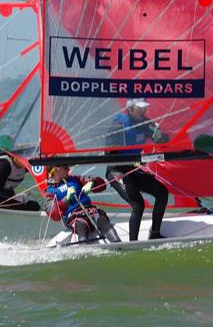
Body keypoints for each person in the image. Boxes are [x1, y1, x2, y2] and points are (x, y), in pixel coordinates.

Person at [106, 98, 170, 241]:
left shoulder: (146, 124)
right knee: (138, 204)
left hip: (133, 169)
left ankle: (155, 234)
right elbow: (109, 154)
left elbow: (165, 141)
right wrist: (120, 175)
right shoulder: (119, 125)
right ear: (130, 109)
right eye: (139, 109)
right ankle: (133, 243)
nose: (143, 111)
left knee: (162, 193)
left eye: (145, 108)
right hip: (116, 170)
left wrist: (160, 136)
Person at [44, 165, 120, 243]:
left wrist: (92, 183)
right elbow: (53, 214)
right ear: (56, 170)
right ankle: (84, 248)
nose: (68, 169)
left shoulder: (76, 179)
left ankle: (118, 244)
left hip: (90, 210)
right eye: (66, 167)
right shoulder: (50, 191)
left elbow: (102, 185)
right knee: (82, 227)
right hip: (74, 217)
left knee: (104, 222)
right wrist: (66, 199)